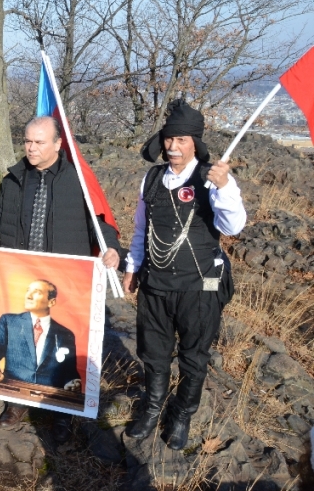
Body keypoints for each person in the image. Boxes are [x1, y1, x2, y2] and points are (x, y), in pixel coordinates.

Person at [0, 116, 121, 443]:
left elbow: (100, 224)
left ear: (57, 144)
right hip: (21, 276)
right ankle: (16, 404)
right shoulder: (13, 179)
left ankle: (61, 411)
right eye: (27, 141)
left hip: (64, 280)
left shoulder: (78, 180)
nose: (31, 148)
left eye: (39, 142)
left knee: (59, 349)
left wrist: (112, 249)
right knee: (22, 345)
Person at [123, 99, 245, 450]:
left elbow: (233, 226)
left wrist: (223, 188)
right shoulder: (152, 178)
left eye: (181, 141)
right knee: (154, 353)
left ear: (195, 143)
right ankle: (152, 409)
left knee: (194, 356)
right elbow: (140, 231)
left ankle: (183, 415)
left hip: (199, 287)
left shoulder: (213, 178)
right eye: (168, 139)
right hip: (156, 285)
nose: (173, 147)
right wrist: (133, 269)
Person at [0, 280, 81, 392]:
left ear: (51, 302)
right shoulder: (8, 321)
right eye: (28, 291)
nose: (29, 296)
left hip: (50, 395)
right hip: (14, 389)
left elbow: (69, 371)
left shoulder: (65, 334)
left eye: (37, 292)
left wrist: (73, 382)